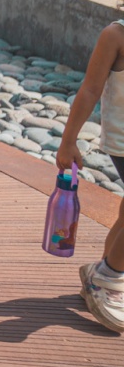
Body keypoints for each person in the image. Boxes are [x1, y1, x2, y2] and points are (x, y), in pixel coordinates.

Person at [54, 20, 124, 332]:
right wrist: (68, 141)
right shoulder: (116, 35)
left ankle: (103, 269)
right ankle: (109, 277)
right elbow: (90, 89)